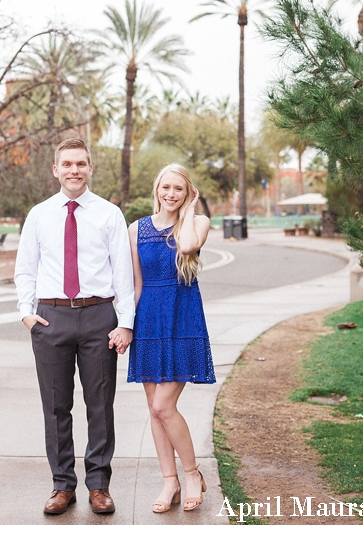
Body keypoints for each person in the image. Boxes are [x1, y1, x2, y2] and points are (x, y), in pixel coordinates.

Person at [15, 137, 135, 516]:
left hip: (100, 316)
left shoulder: (109, 214)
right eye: (67, 164)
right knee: (56, 407)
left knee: (100, 406)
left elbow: (124, 275)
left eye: (81, 164)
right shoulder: (39, 214)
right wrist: (26, 313)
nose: (74, 170)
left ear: (90, 168)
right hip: (51, 318)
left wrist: (126, 323)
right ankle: (62, 485)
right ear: (56, 169)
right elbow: (25, 269)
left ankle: (99, 485)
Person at [126, 163, 216, 514]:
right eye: (166, 187)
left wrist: (190, 210)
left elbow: (189, 245)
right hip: (148, 319)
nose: (171, 194)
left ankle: (191, 473)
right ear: (157, 188)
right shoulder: (137, 228)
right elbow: (136, 284)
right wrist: (128, 325)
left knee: (164, 406)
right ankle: (170, 481)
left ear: (187, 191)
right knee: (154, 408)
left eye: (179, 188)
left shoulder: (198, 224)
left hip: (183, 318)